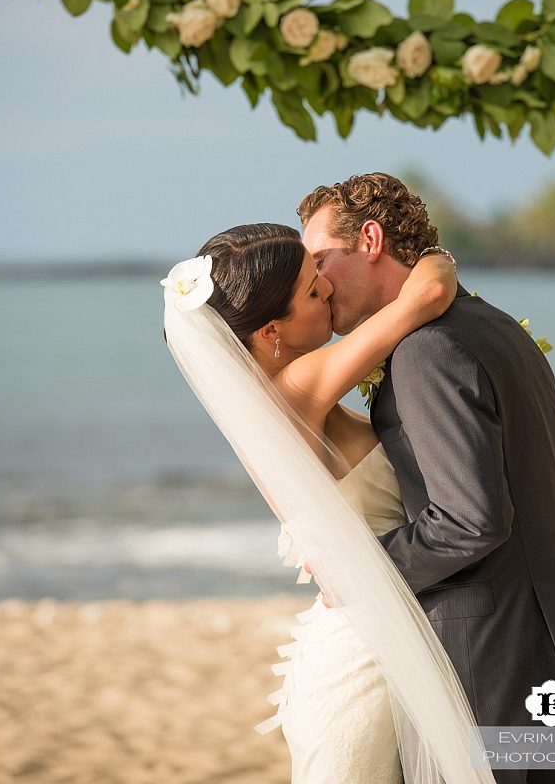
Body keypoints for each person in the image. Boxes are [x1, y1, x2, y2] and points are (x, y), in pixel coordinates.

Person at [298, 171, 555, 784]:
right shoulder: (500, 328)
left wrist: (361, 566)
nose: (317, 280)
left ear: (369, 240)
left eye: (321, 259)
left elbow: (471, 520)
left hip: (491, 666)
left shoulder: (425, 352)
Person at [161, 224, 495, 784]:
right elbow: (431, 292)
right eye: (314, 293)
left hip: (373, 630)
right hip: (358, 659)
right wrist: (432, 253)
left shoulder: (272, 398)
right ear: (271, 330)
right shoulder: (297, 388)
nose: (330, 295)